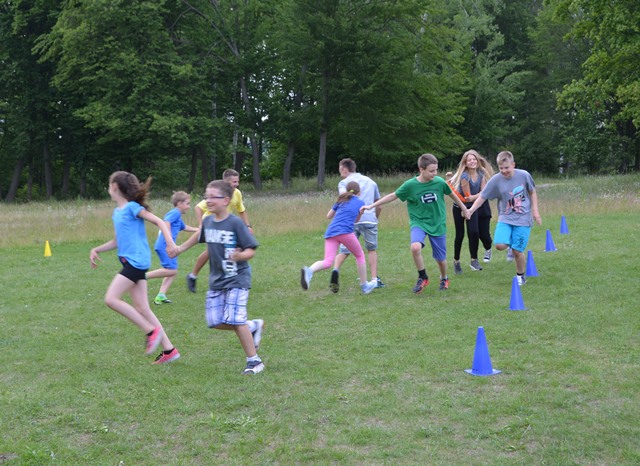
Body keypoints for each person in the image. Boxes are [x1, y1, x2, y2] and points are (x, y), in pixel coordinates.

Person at [173, 180, 265, 375]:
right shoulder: (208, 221)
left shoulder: (235, 223)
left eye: (213, 197)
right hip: (217, 280)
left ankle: (254, 361)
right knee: (215, 321)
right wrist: (179, 249)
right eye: (206, 196)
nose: (208, 200)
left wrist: (240, 256)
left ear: (226, 200)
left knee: (235, 319)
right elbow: (199, 236)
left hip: (237, 278)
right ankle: (252, 326)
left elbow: (251, 250)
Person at [89, 171, 180, 365]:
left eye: (109, 185)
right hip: (129, 261)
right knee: (143, 308)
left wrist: (170, 243)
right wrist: (96, 249)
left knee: (111, 299)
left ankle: (151, 331)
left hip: (136, 262)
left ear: (115, 187)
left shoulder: (132, 207)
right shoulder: (117, 212)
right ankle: (169, 350)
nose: (108, 188)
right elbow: (116, 241)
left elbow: (159, 221)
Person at [361, 153, 469, 294]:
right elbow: (393, 196)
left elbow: (452, 194)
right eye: (431, 171)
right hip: (419, 222)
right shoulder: (410, 185)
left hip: (437, 223)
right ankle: (423, 276)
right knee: (415, 247)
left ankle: (444, 278)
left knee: (441, 260)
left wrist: (464, 209)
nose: (435, 173)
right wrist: (371, 206)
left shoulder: (439, 182)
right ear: (421, 169)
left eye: (436, 170)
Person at [466, 151, 542, 285]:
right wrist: (471, 210)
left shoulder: (524, 175)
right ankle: (511, 245)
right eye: (501, 168)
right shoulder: (496, 180)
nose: (504, 171)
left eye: (506, 168)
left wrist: (535, 211)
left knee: (517, 251)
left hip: (523, 218)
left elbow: (532, 192)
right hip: (505, 217)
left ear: (513, 165)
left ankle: (520, 276)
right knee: (500, 245)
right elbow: (483, 196)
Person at [300, 181, 377, 295]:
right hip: (345, 232)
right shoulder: (360, 202)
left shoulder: (341, 200)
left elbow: (328, 216)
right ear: (359, 193)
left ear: (347, 191)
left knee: (327, 261)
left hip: (331, 232)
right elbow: (355, 221)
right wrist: (360, 213)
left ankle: (309, 271)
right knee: (360, 255)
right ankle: (364, 286)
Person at [186, 169, 252, 293]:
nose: (237, 184)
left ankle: (227, 277)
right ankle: (194, 275)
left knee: (218, 251)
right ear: (226, 182)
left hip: (226, 225)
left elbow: (241, 210)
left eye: (237, 181)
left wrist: (248, 226)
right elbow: (198, 208)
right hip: (212, 224)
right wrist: (201, 224)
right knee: (211, 251)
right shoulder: (217, 194)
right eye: (234, 182)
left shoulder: (237, 193)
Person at [329, 158, 383, 293]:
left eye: (340, 170)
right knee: (371, 249)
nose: (340, 173)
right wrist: (374, 218)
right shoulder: (371, 182)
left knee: (344, 251)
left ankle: (335, 270)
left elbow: (343, 201)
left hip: (351, 221)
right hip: (369, 219)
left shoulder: (343, 183)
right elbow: (379, 205)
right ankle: (374, 279)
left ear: (344, 169)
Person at [445, 150, 495, 274]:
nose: (472, 162)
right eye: (469, 160)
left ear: (477, 161)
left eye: (474, 159)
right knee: (460, 235)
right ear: (465, 163)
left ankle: (474, 260)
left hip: (472, 207)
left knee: (474, 232)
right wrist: (466, 208)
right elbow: (467, 197)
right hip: (460, 207)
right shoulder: (464, 176)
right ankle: (456, 261)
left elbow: (483, 192)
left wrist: (474, 199)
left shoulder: (481, 173)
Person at [146, 191, 198, 304]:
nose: (189, 206)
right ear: (179, 204)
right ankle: (143, 276)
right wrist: (169, 242)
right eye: (187, 203)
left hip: (168, 246)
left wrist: (197, 230)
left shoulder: (177, 216)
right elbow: (166, 222)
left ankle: (161, 296)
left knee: (172, 270)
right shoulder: (174, 213)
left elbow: (184, 227)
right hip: (165, 246)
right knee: (172, 271)